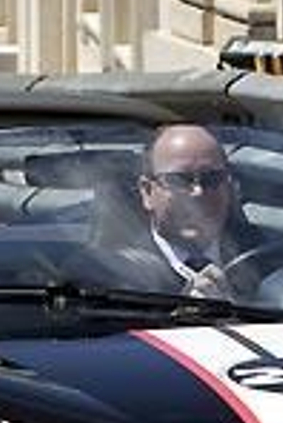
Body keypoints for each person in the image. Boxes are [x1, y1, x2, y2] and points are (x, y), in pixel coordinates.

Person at [86, 123, 264, 299]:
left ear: (229, 186)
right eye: (180, 181)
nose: (198, 192)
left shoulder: (267, 258)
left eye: (212, 178)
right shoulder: (107, 274)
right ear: (147, 191)